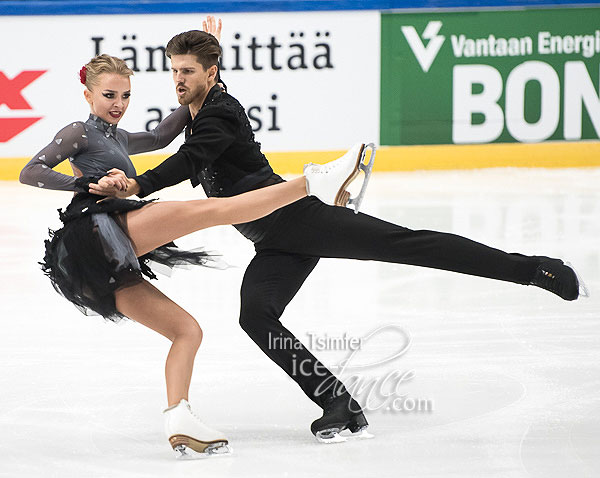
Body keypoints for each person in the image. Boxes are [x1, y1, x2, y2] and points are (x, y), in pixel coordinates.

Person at [92, 28, 587, 444]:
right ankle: (337, 403)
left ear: (211, 74)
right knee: (255, 315)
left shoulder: (220, 110)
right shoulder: (203, 103)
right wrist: (210, 47)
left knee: (409, 244)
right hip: (271, 239)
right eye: (174, 71)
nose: (178, 81)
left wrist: (138, 185)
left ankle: (536, 269)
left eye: (188, 72)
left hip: (298, 218)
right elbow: (189, 132)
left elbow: (189, 160)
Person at [19, 47, 367, 457]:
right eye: (109, 95)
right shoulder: (79, 131)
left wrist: (208, 75)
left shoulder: (121, 138)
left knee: (187, 331)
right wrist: (85, 184)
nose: (118, 104)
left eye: (125, 96)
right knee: (211, 210)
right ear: (88, 95)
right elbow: (31, 171)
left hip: (106, 259)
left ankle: (179, 418)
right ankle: (315, 183)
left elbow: (165, 133)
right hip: (94, 231)